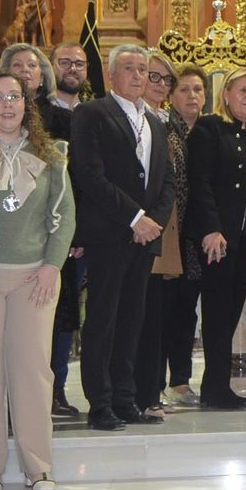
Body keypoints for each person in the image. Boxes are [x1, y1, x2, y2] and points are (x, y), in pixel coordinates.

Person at [0, 70, 75, 490]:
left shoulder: (53, 154)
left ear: (27, 105)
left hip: (34, 278)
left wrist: (52, 266)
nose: (7, 104)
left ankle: (37, 465)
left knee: (31, 373)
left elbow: (63, 219)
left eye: (15, 97)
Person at [68, 45, 173, 430]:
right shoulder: (92, 114)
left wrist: (153, 222)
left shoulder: (156, 123)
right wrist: (134, 217)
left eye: (143, 70)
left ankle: (127, 399)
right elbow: (90, 175)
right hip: (109, 233)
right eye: (128, 68)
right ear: (111, 75)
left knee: (133, 320)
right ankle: (100, 403)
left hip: (145, 238)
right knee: (103, 320)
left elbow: (167, 181)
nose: (137, 76)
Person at [186, 67, 246, 409]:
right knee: (218, 314)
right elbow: (200, 181)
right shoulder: (210, 128)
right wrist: (210, 228)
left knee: (231, 312)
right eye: (243, 91)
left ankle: (217, 385)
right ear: (226, 94)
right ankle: (214, 387)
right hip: (219, 238)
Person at [134, 50, 181, 415]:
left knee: (159, 315)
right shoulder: (131, 118)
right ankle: (140, 394)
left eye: (167, 79)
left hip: (165, 227)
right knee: (141, 315)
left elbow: (173, 178)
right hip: (137, 227)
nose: (161, 85)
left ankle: (152, 391)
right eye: (155, 76)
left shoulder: (167, 120)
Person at [43, 41, 88, 416]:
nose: (73, 69)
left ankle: (57, 388)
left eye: (80, 63)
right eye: (65, 62)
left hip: (83, 234)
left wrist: (83, 233)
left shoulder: (93, 115)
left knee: (67, 317)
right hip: (43, 229)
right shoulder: (38, 113)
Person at [159, 64, 206, 406]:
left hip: (198, 237)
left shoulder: (210, 131)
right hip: (167, 233)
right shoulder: (163, 129)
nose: (192, 96)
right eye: (185, 89)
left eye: (198, 90)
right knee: (164, 308)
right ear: (172, 96)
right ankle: (154, 381)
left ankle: (181, 380)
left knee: (187, 310)